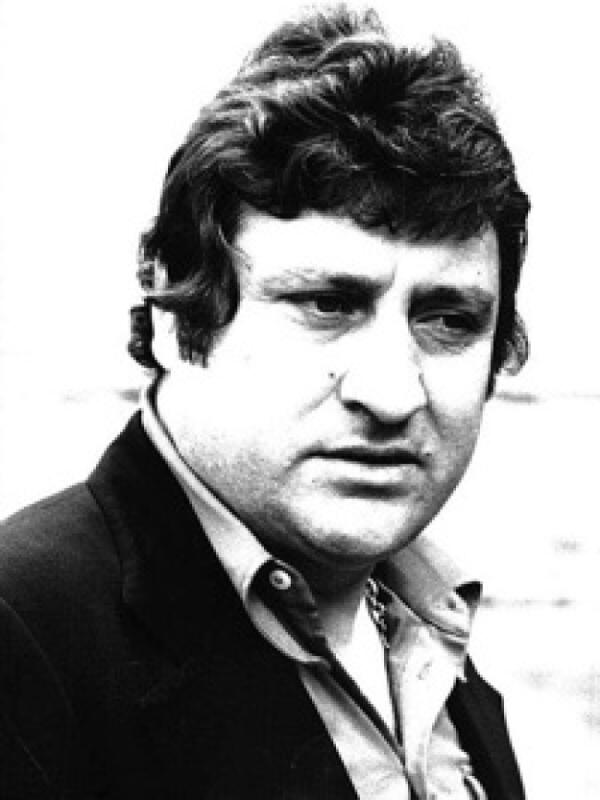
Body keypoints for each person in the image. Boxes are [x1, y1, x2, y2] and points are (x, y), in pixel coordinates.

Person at [0, 5, 530, 799]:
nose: (392, 392)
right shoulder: (23, 636)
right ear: (178, 317)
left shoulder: (428, 623)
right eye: (328, 304)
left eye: (448, 319)